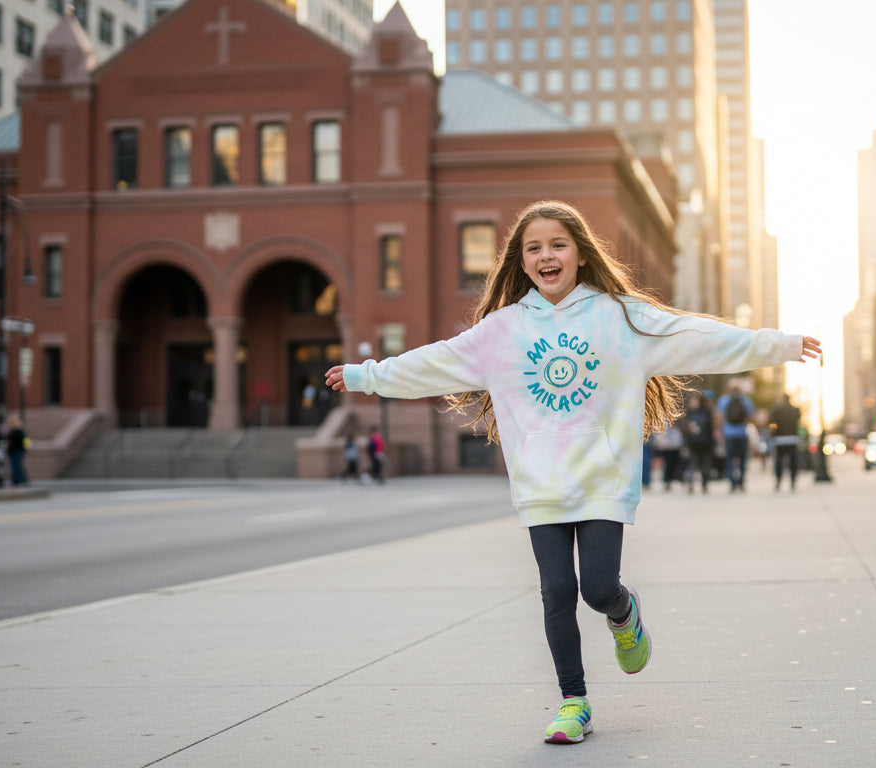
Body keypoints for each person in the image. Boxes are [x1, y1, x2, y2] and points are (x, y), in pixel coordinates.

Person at [323, 200, 820, 744]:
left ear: (581, 254)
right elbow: (433, 361)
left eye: (557, 244)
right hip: (540, 483)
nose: (546, 255)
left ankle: (624, 614)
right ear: (522, 262)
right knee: (557, 590)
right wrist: (366, 375)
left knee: (598, 588)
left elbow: (697, 337)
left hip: (602, 479)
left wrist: (781, 345)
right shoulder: (502, 331)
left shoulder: (621, 317)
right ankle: (573, 702)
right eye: (533, 248)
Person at [717, 383, 755, 493]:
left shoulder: (724, 400)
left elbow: (719, 416)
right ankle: (741, 482)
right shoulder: (745, 400)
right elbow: (751, 415)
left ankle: (732, 483)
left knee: (730, 458)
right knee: (742, 459)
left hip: (728, 433)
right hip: (742, 433)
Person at [681, 392, 715, 494]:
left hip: (698, 442)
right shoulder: (707, 412)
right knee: (698, 463)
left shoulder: (693, 413)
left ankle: (698, 483)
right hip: (701, 442)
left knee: (697, 463)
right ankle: (698, 484)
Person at [768, 393, 802, 491]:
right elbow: (799, 423)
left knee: (779, 461)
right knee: (793, 461)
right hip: (793, 438)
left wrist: (773, 435)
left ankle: (778, 481)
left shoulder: (777, 409)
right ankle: (793, 481)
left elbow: (772, 424)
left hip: (780, 439)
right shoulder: (795, 410)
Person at [652, 420, 684, 491]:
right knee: (667, 464)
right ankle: (667, 481)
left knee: (674, 464)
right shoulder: (663, 419)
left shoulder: (677, 420)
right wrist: (659, 441)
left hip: (675, 445)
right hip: (666, 445)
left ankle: (671, 480)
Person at [5, 414, 30, 487]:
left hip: (17, 451)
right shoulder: (11, 430)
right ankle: (18, 480)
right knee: (16, 466)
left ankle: (17, 481)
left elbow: (21, 440)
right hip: (13, 451)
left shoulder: (18, 431)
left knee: (16, 466)